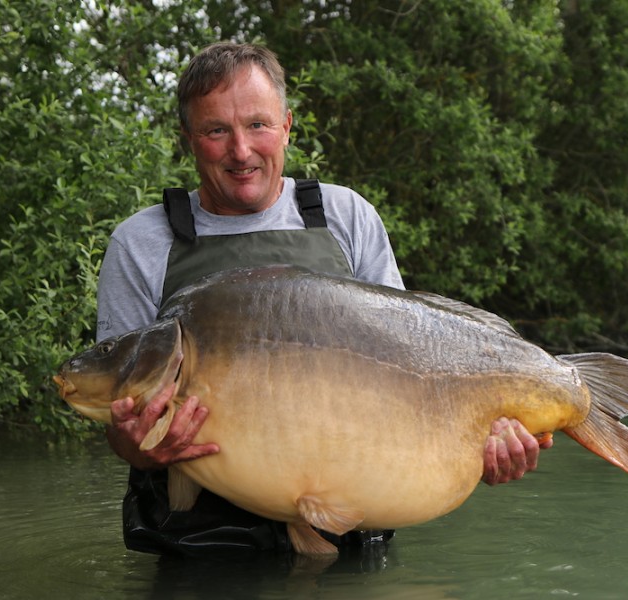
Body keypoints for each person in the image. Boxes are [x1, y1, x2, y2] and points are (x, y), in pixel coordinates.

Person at [95, 42, 551, 558]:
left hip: (351, 539)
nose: (241, 151)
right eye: (216, 130)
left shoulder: (345, 217)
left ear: (287, 126)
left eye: (258, 125)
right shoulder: (140, 244)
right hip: (200, 553)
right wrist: (138, 445)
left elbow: (415, 369)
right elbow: (120, 420)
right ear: (188, 140)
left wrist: (477, 449)